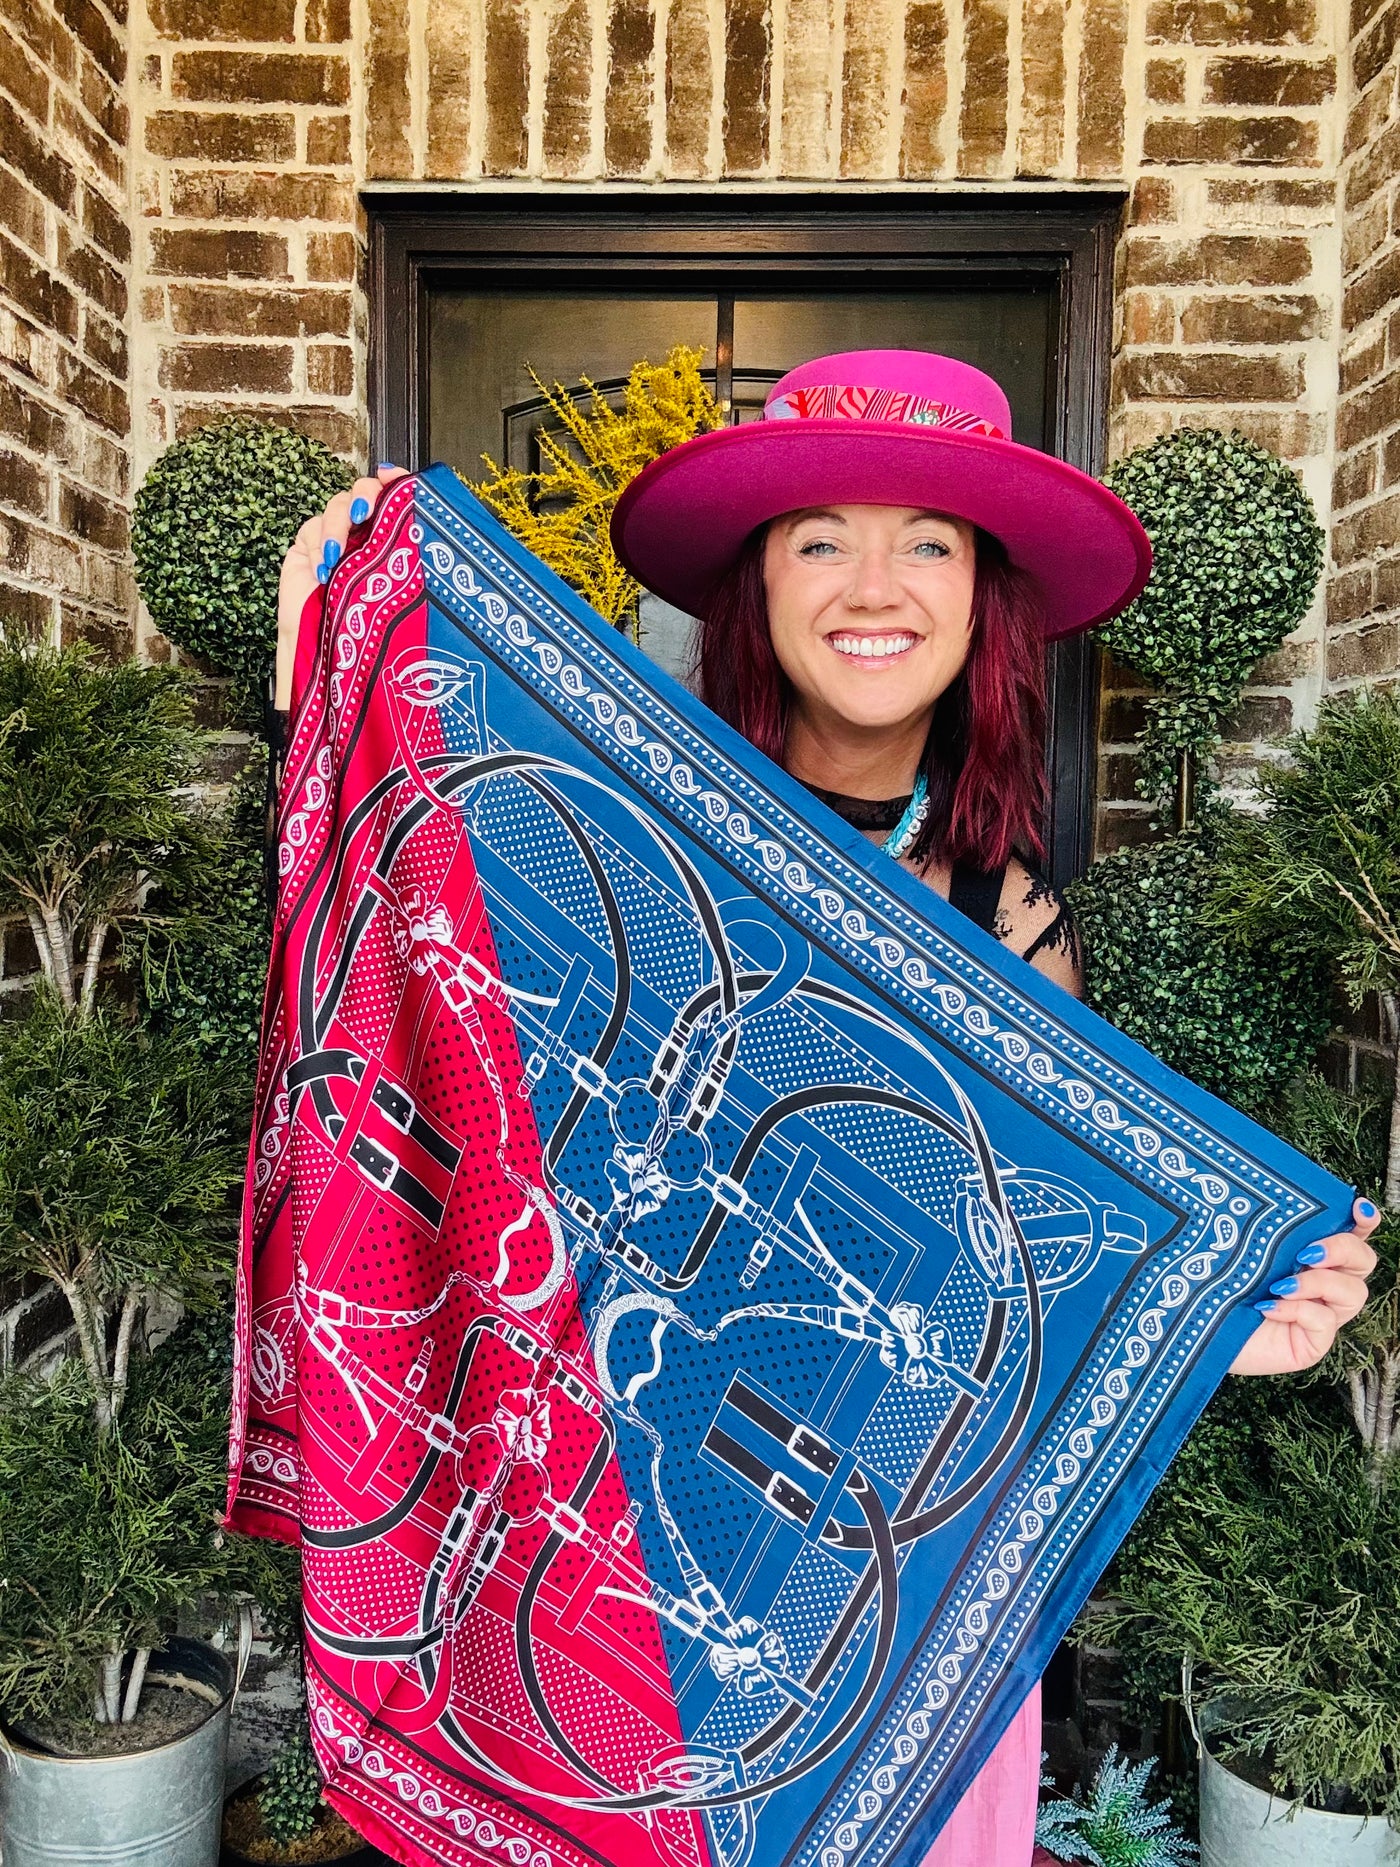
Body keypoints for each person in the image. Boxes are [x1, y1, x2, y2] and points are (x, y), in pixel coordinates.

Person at [278, 348, 1378, 1866]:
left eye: (928, 540)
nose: (876, 585)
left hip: (866, 1609)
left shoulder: (1007, 919)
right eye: (820, 539)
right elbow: (429, 941)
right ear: (757, 586)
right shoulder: (613, 831)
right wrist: (361, 585)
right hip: (596, 1528)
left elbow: (1010, 1287)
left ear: (982, 595)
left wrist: (1217, 1331)